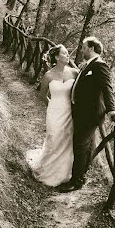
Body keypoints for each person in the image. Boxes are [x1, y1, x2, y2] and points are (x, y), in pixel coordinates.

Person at [58, 36, 115, 192]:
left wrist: (111, 109)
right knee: (83, 147)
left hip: (90, 114)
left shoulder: (100, 66)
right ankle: (81, 177)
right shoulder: (89, 65)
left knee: (80, 146)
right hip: (82, 112)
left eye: (84, 47)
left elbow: (107, 89)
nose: (82, 50)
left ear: (91, 48)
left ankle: (76, 181)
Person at [26, 44, 79, 187]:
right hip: (54, 111)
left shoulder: (74, 72)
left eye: (68, 53)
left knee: (66, 138)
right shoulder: (48, 75)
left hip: (69, 111)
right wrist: (52, 106)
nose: (68, 56)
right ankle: (49, 169)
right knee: (54, 137)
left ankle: (65, 172)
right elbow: (42, 94)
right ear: (57, 57)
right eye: (65, 54)